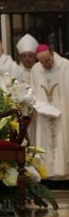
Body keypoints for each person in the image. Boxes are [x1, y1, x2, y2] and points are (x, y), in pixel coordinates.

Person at [30, 44, 69, 179]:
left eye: (48, 61)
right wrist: (39, 105)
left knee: (62, 137)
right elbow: (33, 92)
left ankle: (63, 172)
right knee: (44, 141)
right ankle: (46, 174)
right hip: (44, 113)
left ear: (52, 54)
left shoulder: (65, 65)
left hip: (62, 111)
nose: (46, 64)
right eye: (42, 62)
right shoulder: (35, 70)